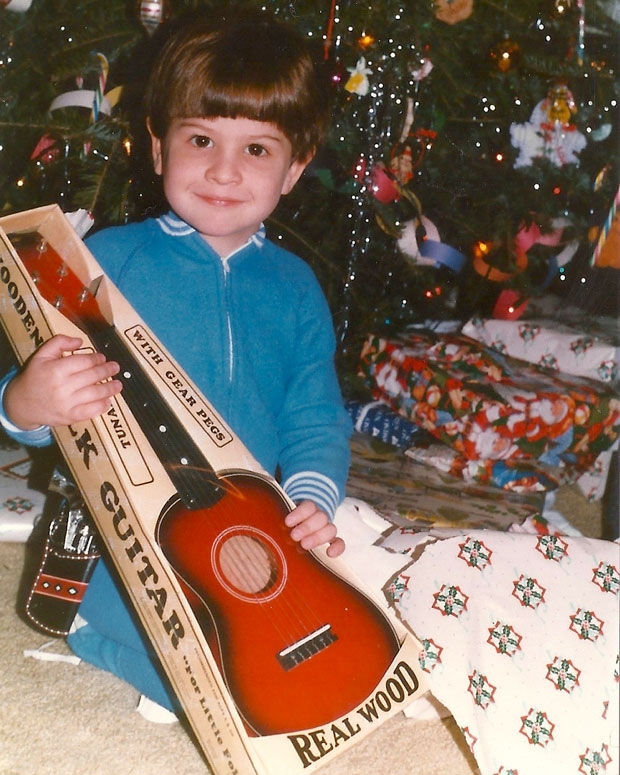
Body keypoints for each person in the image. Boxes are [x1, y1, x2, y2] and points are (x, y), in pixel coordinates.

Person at [0, 7, 351, 716]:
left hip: (247, 529)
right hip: (127, 534)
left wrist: (314, 501)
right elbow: (34, 398)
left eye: (257, 150)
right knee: (223, 680)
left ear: (295, 168)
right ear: (157, 148)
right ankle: (97, 636)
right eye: (200, 139)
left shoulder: (297, 288)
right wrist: (29, 401)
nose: (224, 171)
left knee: (344, 634)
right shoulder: (100, 261)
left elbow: (315, 415)